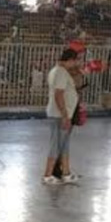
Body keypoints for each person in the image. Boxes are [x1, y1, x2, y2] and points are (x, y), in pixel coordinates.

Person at [42, 49, 81, 185]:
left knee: (64, 145)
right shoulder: (60, 72)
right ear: (70, 60)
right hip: (59, 115)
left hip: (63, 114)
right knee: (56, 145)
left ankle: (66, 173)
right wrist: (65, 115)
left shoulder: (58, 71)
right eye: (75, 61)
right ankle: (47, 175)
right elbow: (58, 95)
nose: (76, 64)